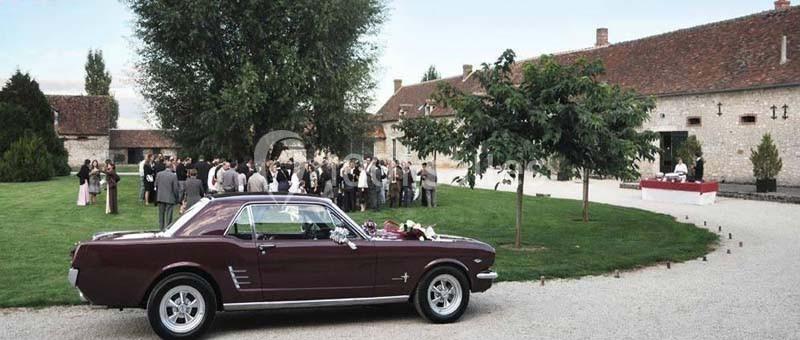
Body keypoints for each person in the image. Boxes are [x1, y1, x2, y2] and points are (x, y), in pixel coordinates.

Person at [155, 159, 180, 230]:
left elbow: (156, 185)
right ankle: (167, 229)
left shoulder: (159, 174)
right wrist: (177, 198)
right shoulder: (173, 176)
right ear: (171, 167)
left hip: (160, 196)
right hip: (170, 197)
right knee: (169, 215)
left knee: (161, 214)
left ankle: (161, 228)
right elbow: (175, 188)